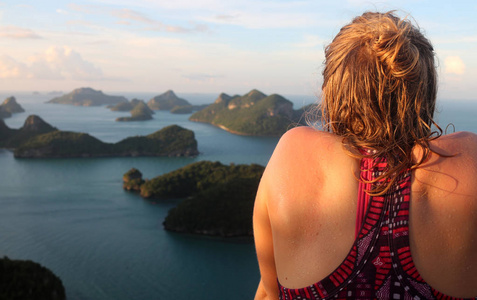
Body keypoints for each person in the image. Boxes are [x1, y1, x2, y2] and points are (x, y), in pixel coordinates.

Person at [253, 11, 477, 299]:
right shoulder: (468, 158)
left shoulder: (293, 152)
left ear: (330, 89)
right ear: (425, 89)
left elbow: (270, 292)